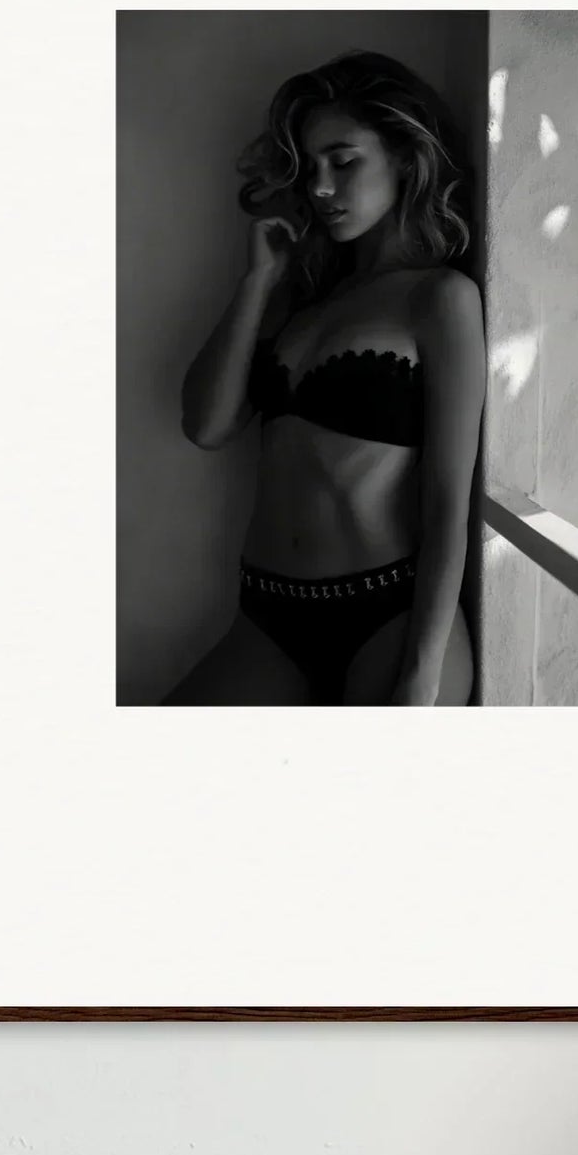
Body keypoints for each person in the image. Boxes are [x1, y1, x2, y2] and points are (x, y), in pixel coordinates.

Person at [164, 50, 484, 705]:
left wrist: (421, 674)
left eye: (343, 161)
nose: (319, 187)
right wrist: (257, 282)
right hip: (267, 618)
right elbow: (206, 425)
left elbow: (449, 502)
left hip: (387, 617)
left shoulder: (439, 299)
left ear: (403, 155)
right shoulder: (307, 301)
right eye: (311, 168)